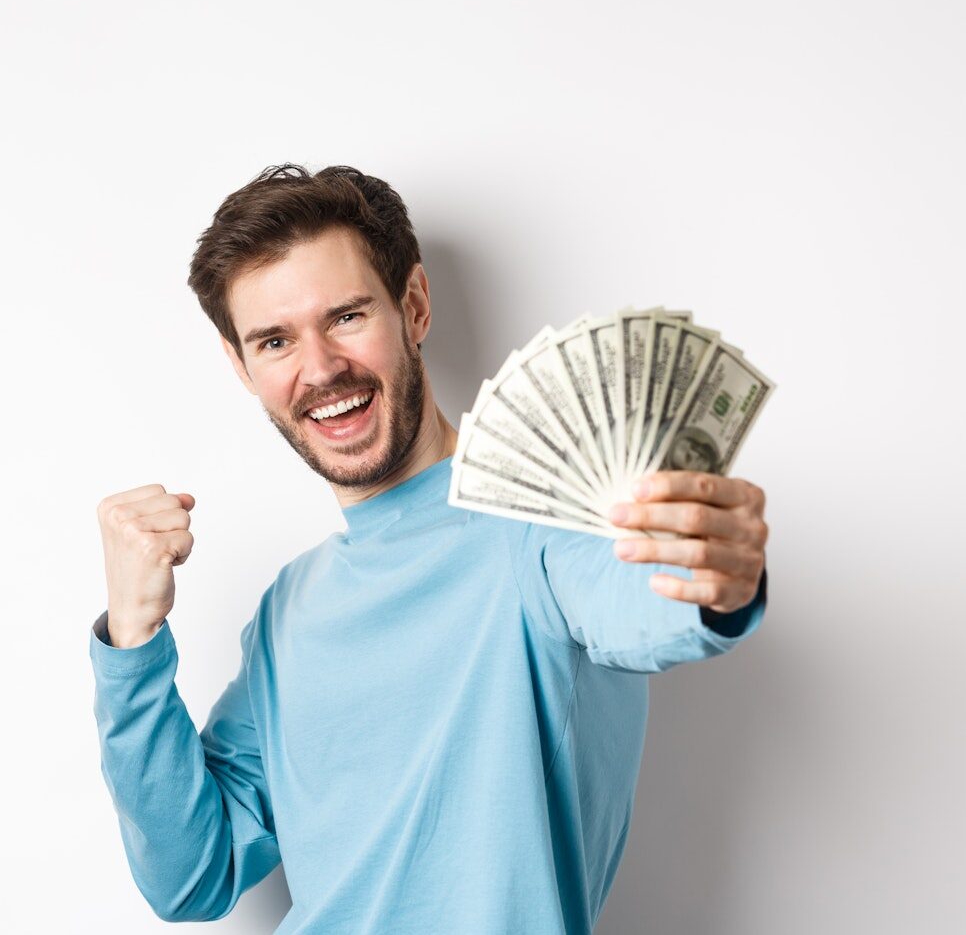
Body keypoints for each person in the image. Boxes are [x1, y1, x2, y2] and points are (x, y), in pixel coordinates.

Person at [90, 164, 769, 933]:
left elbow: (647, 600)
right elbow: (190, 878)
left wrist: (719, 575)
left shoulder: (543, 521)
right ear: (242, 367)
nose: (319, 370)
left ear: (412, 305)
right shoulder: (288, 610)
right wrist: (132, 643)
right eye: (275, 340)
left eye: (346, 317)